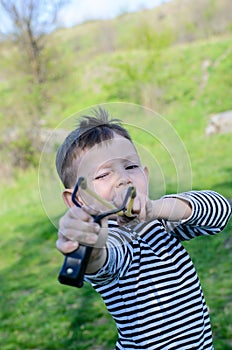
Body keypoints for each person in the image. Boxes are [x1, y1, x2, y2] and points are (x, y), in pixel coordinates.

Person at [55, 107, 231, 350]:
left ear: (145, 177)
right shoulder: (113, 240)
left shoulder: (160, 224)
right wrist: (90, 242)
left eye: (130, 167)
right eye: (104, 174)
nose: (123, 179)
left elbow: (219, 211)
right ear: (78, 199)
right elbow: (102, 261)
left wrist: (157, 208)